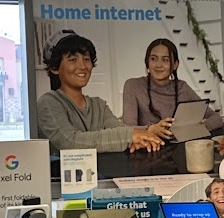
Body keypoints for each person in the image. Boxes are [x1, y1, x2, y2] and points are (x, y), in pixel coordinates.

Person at [32, 33, 169, 153]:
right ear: (55, 68)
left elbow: (120, 130)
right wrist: (129, 137)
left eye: (86, 59)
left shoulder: (98, 105)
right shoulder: (48, 103)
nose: (82, 66)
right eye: (72, 60)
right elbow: (70, 141)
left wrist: (136, 140)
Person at [121, 37, 224, 155]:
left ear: (175, 65)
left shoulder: (182, 87)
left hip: (179, 153)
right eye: (153, 59)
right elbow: (126, 130)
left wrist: (194, 130)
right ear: (147, 62)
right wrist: (150, 129)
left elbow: (216, 119)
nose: (158, 65)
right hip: (146, 152)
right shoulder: (133, 86)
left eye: (165, 60)